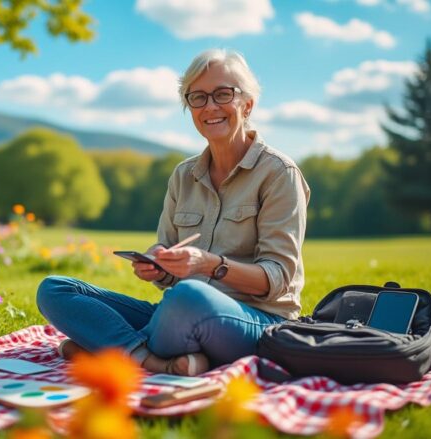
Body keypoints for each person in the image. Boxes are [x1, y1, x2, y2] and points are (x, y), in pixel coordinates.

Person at [36, 48, 310, 376]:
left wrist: (209, 265)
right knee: (55, 289)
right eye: (198, 97)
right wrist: (159, 267)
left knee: (188, 296)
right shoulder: (183, 175)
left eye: (223, 94)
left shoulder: (279, 173)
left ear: (247, 105)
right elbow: (170, 269)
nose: (210, 106)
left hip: (258, 322)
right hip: (179, 313)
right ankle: (153, 361)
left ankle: (104, 350)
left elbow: (278, 279)